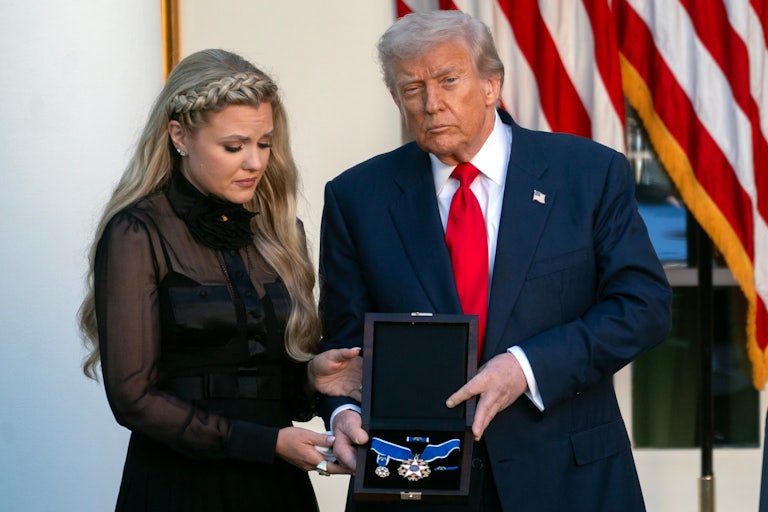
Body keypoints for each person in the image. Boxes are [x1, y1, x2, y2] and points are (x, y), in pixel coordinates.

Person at [317, 10, 672, 512]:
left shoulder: (587, 174)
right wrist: (343, 413)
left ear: (491, 84)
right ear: (396, 99)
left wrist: (525, 368)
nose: (431, 104)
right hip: (416, 483)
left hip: (566, 479)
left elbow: (644, 307)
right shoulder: (357, 197)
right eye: (411, 89)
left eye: (448, 80)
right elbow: (344, 344)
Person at [78, 49, 360, 511]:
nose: (254, 162)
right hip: (178, 487)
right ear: (179, 136)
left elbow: (276, 389)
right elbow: (132, 398)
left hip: (275, 490)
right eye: (234, 146)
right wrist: (265, 444)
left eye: (264, 143)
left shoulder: (281, 232)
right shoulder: (137, 232)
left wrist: (310, 374)